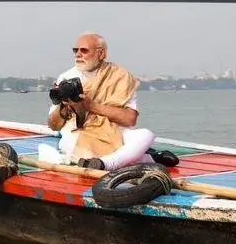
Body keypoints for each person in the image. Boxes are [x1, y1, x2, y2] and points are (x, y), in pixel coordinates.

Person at [40, 32, 166, 171]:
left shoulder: (119, 76)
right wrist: (63, 106)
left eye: (84, 50)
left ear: (101, 54)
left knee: (145, 135)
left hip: (114, 131)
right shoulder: (66, 78)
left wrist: (91, 106)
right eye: (76, 50)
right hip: (80, 132)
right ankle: (147, 159)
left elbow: (130, 119)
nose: (78, 54)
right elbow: (54, 126)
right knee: (76, 149)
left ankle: (106, 164)